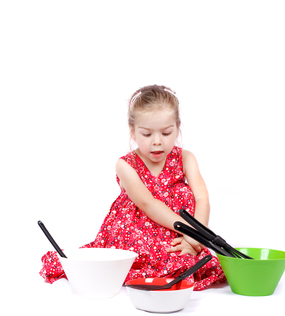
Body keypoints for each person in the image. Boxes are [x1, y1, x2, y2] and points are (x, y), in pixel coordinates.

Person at [40, 84, 226, 290]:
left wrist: (195, 239)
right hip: (138, 237)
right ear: (133, 132)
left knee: (189, 262)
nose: (157, 142)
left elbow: (202, 198)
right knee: (134, 258)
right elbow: (148, 203)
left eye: (166, 133)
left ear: (177, 128)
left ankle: (177, 259)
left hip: (180, 237)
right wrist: (190, 231)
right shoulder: (126, 165)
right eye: (147, 134)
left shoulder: (186, 158)